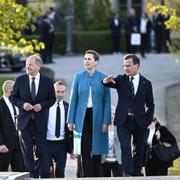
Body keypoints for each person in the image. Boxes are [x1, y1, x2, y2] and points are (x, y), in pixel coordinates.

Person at [102, 54, 155, 176]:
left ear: (136, 65)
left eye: (128, 65)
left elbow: (151, 104)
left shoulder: (146, 83)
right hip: (123, 121)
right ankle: (128, 174)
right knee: (125, 146)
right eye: (124, 65)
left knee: (138, 149)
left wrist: (148, 120)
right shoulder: (121, 79)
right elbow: (107, 83)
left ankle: (136, 174)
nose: (126, 68)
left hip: (140, 121)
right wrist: (106, 80)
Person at [67, 49, 111, 177]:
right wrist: (70, 119)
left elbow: (107, 101)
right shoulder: (78, 77)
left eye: (89, 59)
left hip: (98, 117)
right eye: (85, 59)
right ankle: (86, 177)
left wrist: (106, 121)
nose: (86, 61)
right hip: (82, 117)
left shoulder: (103, 77)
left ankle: (97, 176)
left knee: (97, 149)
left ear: (96, 62)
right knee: (83, 149)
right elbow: (73, 99)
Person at [10, 55, 56, 177]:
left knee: (41, 151)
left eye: (30, 64)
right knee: (27, 152)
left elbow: (52, 99)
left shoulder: (47, 81)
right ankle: (31, 177)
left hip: (40, 122)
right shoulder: (20, 80)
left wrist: (42, 105)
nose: (27, 66)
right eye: (26, 64)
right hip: (24, 123)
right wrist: (22, 104)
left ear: (38, 66)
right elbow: (13, 98)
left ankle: (39, 173)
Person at [40, 81, 73, 178]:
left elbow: (72, 130)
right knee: (45, 172)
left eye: (62, 92)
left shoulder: (68, 107)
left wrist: (72, 149)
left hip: (61, 145)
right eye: (57, 91)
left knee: (60, 173)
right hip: (46, 144)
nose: (60, 94)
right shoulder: (45, 106)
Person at [0, 80, 24, 172]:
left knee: (20, 171)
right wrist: (0, 144)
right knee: (2, 171)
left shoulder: (18, 104)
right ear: (10, 90)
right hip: (4, 145)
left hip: (19, 144)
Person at [101, 106, 123, 177]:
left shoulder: (120, 128)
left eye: (113, 114)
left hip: (117, 161)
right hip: (104, 160)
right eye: (110, 114)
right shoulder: (102, 128)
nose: (112, 116)